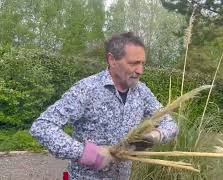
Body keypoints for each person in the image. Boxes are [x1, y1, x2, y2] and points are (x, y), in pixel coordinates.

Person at [30, 32, 178, 179]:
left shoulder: (142, 92)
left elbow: (169, 123)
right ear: (112, 60)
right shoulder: (87, 89)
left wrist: (154, 136)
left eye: (142, 63)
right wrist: (87, 154)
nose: (140, 70)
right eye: (134, 63)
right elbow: (42, 127)